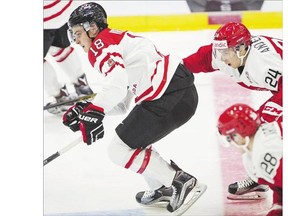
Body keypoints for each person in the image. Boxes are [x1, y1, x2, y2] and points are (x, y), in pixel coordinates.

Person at [62, 2, 207, 215]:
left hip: (170, 94)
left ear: (92, 28)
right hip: (176, 92)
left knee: (118, 149)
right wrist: (88, 109)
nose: (75, 41)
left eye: (77, 33)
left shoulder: (100, 45)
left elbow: (117, 80)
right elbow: (120, 101)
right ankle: (162, 187)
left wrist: (96, 109)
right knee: (131, 140)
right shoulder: (115, 41)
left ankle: (181, 182)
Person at [182, 22, 282, 200]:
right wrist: (178, 70)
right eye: (221, 52)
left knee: (265, 130)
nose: (221, 58)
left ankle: (272, 182)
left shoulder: (264, 63)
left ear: (241, 48)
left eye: (226, 52)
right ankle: (262, 175)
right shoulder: (232, 53)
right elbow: (205, 57)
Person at [217, 103, 282, 216]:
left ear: (239, 135)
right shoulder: (265, 134)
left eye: (230, 137)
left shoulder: (264, 153)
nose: (231, 143)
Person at [44, 0, 93, 114]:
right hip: (61, 10)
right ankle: (82, 85)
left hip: (44, 17)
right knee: (59, 47)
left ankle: (60, 96)